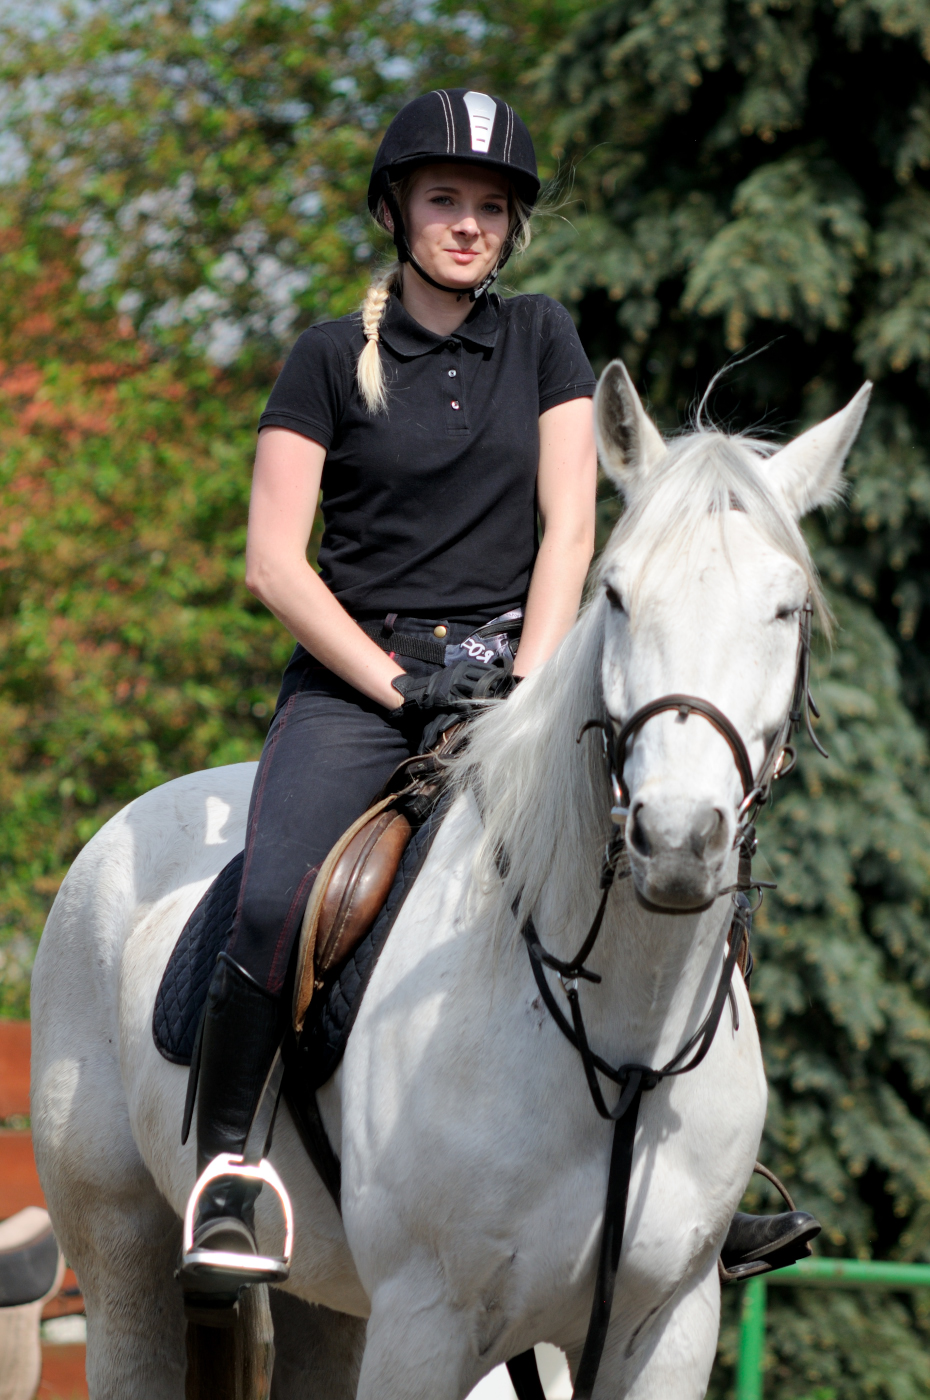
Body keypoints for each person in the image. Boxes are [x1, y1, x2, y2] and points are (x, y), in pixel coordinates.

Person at [181, 87, 819, 1296]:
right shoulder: (327, 355)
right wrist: (398, 684)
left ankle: (701, 1177)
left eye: (489, 204)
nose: (468, 223)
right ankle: (228, 1165)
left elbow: (572, 526)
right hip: (357, 683)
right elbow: (274, 563)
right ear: (395, 210)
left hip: (518, 677)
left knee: (678, 850)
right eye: (443, 199)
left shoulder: (543, 338)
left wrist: (524, 687)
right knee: (272, 896)